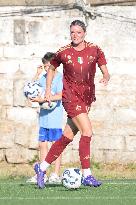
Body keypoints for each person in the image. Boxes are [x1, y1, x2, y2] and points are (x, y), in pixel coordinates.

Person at [34, 20, 110, 189]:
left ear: (84, 33)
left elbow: (104, 68)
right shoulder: (63, 52)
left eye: (78, 32)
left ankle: (42, 168)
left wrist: (105, 76)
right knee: (87, 132)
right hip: (70, 97)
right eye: (72, 32)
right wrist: (47, 90)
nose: (75, 35)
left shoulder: (95, 49)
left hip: (86, 98)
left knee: (67, 137)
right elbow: (51, 68)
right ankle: (87, 174)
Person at [27, 52, 63, 184]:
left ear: (55, 66)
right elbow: (31, 89)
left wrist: (44, 99)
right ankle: (42, 173)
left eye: (48, 66)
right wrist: (37, 74)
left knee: (56, 146)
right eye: (45, 66)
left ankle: (55, 174)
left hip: (55, 120)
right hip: (43, 119)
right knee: (42, 145)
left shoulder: (60, 78)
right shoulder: (42, 78)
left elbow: (61, 95)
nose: (46, 69)